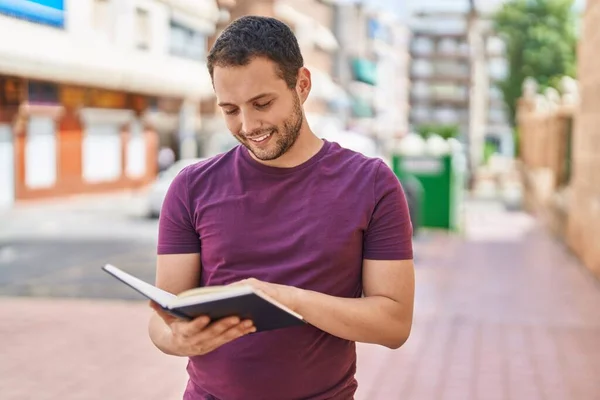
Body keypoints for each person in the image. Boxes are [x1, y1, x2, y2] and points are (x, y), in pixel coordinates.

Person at [148, 15, 415, 400]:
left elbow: (393, 324)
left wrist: (284, 298)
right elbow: (162, 318)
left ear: (302, 85)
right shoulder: (191, 187)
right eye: (230, 109)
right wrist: (177, 337)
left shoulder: (371, 184)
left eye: (262, 103)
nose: (248, 124)